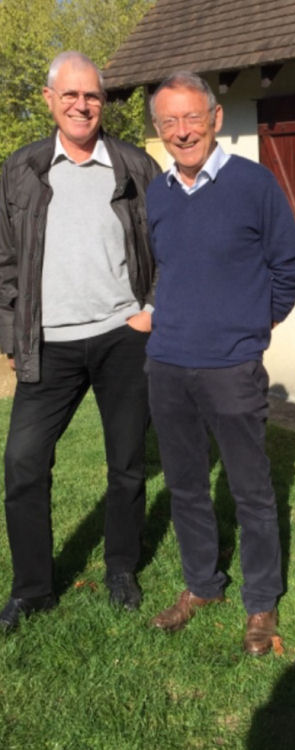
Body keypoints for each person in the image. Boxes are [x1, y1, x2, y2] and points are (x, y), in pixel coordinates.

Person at [145, 71, 295, 655]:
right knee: (187, 485)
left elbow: (291, 264)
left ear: (214, 118)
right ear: (158, 129)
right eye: (169, 121)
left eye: (192, 117)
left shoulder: (253, 184)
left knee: (251, 489)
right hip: (167, 364)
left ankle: (260, 602)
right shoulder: (158, 193)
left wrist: (255, 325)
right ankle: (202, 585)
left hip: (232, 367)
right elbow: (164, 267)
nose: (182, 131)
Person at [0, 51, 160, 633]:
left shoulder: (135, 166)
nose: (81, 105)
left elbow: (169, 244)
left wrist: (151, 310)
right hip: (48, 343)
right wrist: (12, 334)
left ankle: (121, 568)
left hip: (123, 338)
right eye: (69, 94)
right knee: (23, 463)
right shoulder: (21, 169)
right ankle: (32, 590)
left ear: (103, 101)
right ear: (50, 100)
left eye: (91, 95)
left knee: (127, 464)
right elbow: (4, 261)